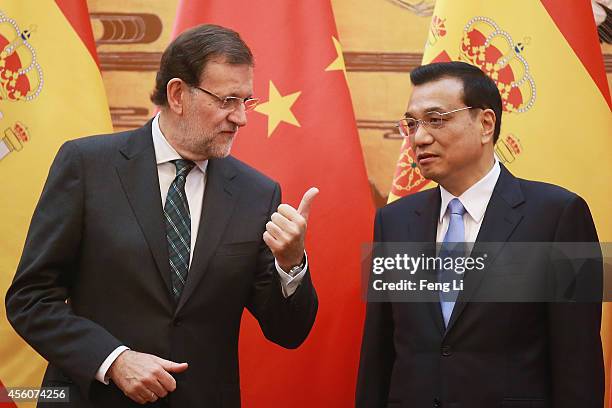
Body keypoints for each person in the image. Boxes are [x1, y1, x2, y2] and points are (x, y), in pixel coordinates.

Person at [5, 24, 318, 407]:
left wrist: (291, 265)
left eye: (245, 102)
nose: (241, 118)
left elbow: (288, 331)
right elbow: (31, 299)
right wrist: (113, 359)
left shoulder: (257, 193)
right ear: (177, 94)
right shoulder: (88, 166)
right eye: (227, 100)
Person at [356, 61, 603, 407]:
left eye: (436, 119)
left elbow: (579, 365)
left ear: (486, 124)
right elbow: (378, 355)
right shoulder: (392, 222)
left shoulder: (562, 216)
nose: (419, 137)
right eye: (411, 124)